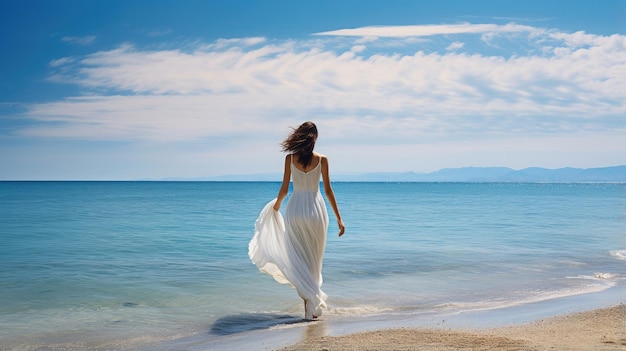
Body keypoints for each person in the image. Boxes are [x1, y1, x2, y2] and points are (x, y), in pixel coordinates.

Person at [249, 121, 345, 320]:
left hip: (295, 209)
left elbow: (284, 189)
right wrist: (339, 218)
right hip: (316, 210)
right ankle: (313, 306)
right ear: (315, 138)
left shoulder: (290, 159)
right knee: (314, 261)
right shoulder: (323, 160)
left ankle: (309, 308)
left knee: (299, 260)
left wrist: (275, 208)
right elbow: (327, 191)